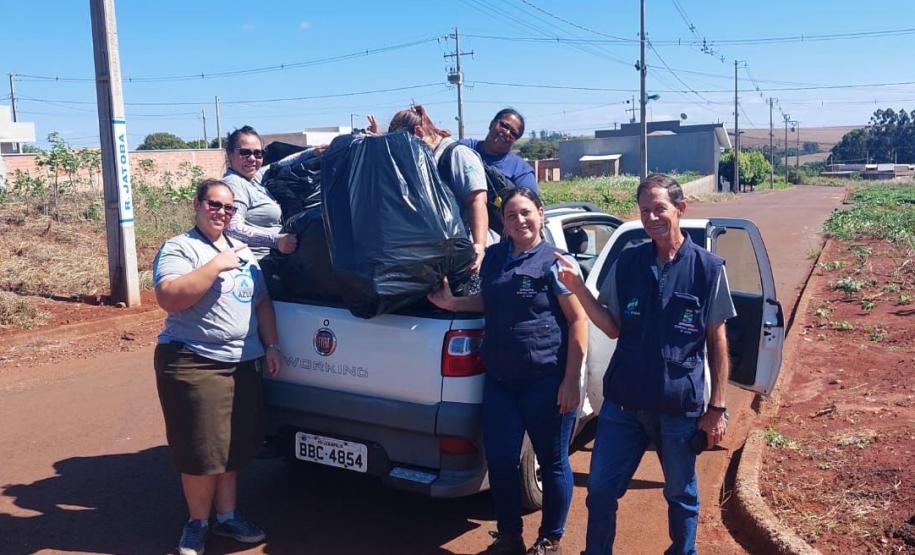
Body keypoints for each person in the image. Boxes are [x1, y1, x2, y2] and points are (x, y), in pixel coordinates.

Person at [553, 174, 736, 555]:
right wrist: (579, 289)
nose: (651, 217)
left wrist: (717, 406)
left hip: (677, 405)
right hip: (625, 403)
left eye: (659, 209)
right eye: (644, 211)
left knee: (680, 495)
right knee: (601, 490)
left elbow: (717, 340)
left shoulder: (707, 268)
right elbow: (612, 326)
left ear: (680, 209)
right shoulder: (629, 262)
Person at [428, 187, 588, 555]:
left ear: (541, 214)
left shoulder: (555, 261)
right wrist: (454, 302)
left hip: (546, 380)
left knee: (552, 461)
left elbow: (578, 320)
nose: (520, 221)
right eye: (512, 215)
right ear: (504, 222)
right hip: (500, 379)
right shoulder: (496, 257)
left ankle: (551, 538)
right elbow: (490, 299)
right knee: (500, 459)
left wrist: (570, 380)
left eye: (526, 212)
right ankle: (509, 535)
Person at [153, 178, 283, 555]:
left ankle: (227, 517)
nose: (221, 213)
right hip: (194, 361)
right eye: (214, 204)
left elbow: (261, 302)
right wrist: (214, 266)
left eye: (228, 208)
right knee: (200, 451)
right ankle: (197, 524)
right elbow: (169, 297)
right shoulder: (182, 247)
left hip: (242, 363)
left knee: (232, 447)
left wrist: (271, 345)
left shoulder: (242, 251)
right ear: (197, 204)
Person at [381, 104, 490, 272]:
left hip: (467, 257)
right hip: (438, 259)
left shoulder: (457, 154)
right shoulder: (420, 160)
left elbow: (477, 200)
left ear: (418, 132)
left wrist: (479, 246)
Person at [222, 125, 315, 260]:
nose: (252, 158)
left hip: (275, 257)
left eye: (258, 153)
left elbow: (276, 165)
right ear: (230, 154)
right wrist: (276, 241)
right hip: (259, 264)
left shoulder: (252, 178)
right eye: (245, 153)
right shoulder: (234, 183)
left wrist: (313, 152)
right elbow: (232, 227)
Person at [460, 108, 538, 192]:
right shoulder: (464, 148)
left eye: (513, 133)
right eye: (504, 126)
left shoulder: (521, 171)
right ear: (491, 124)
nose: (507, 133)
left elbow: (527, 203)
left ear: (516, 140)